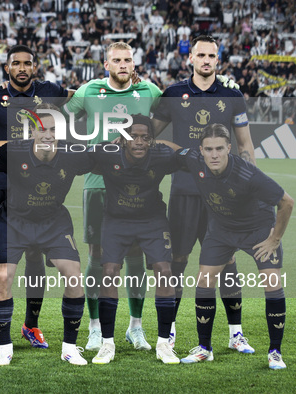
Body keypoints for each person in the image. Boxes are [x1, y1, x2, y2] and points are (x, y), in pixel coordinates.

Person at [152, 35, 257, 350]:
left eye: (212, 55)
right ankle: (168, 332)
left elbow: (245, 145)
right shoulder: (173, 94)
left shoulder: (232, 96)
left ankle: (235, 334)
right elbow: (146, 135)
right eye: (201, 55)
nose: (207, 60)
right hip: (184, 192)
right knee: (177, 262)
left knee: (226, 263)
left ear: (218, 59)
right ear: (190, 59)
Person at [63, 41, 162, 352]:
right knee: (97, 256)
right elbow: (60, 117)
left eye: (127, 60)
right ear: (106, 64)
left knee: (135, 255)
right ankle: (95, 328)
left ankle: (135, 327)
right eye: (117, 60)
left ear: (134, 64)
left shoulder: (148, 91)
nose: (123, 64)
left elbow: (176, 111)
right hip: (97, 183)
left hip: (138, 184)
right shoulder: (89, 91)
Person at [167, 124, 293, 370]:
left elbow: (286, 202)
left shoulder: (248, 174)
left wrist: (274, 239)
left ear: (228, 149)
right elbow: (176, 149)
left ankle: (275, 352)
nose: (214, 154)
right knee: (204, 281)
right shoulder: (194, 159)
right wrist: (151, 144)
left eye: (219, 149)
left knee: (271, 282)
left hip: (257, 229)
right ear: (201, 150)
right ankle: (205, 348)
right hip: (222, 230)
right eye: (209, 149)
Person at [0, 44, 72, 350]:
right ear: (6, 68)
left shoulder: (51, 91)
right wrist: (3, 143)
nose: (22, 68)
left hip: (41, 182)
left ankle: (32, 324)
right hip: (3, 181)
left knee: (35, 253)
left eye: (27, 63)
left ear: (35, 67)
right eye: (16, 63)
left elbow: (79, 96)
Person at [0, 104, 90, 366]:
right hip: (13, 220)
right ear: (31, 131)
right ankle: (4, 346)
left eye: (54, 129)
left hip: (53, 221)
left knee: (73, 274)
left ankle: (69, 347)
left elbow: (106, 160)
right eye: (42, 128)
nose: (48, 134)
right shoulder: (13, 151)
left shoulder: (73, 154)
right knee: (3, 275)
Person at [89, 115, 179, 365]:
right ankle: (107, 343)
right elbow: (81, 157)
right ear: (124, 139)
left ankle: (164, 344)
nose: (139, 142)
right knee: (109, 271)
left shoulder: (160, 154)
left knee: (164, 270)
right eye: (133, 136)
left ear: (152, 139)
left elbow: (184, 154)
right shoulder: (108, 153)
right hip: (117, 220)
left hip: (152, 220)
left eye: (145, 137)